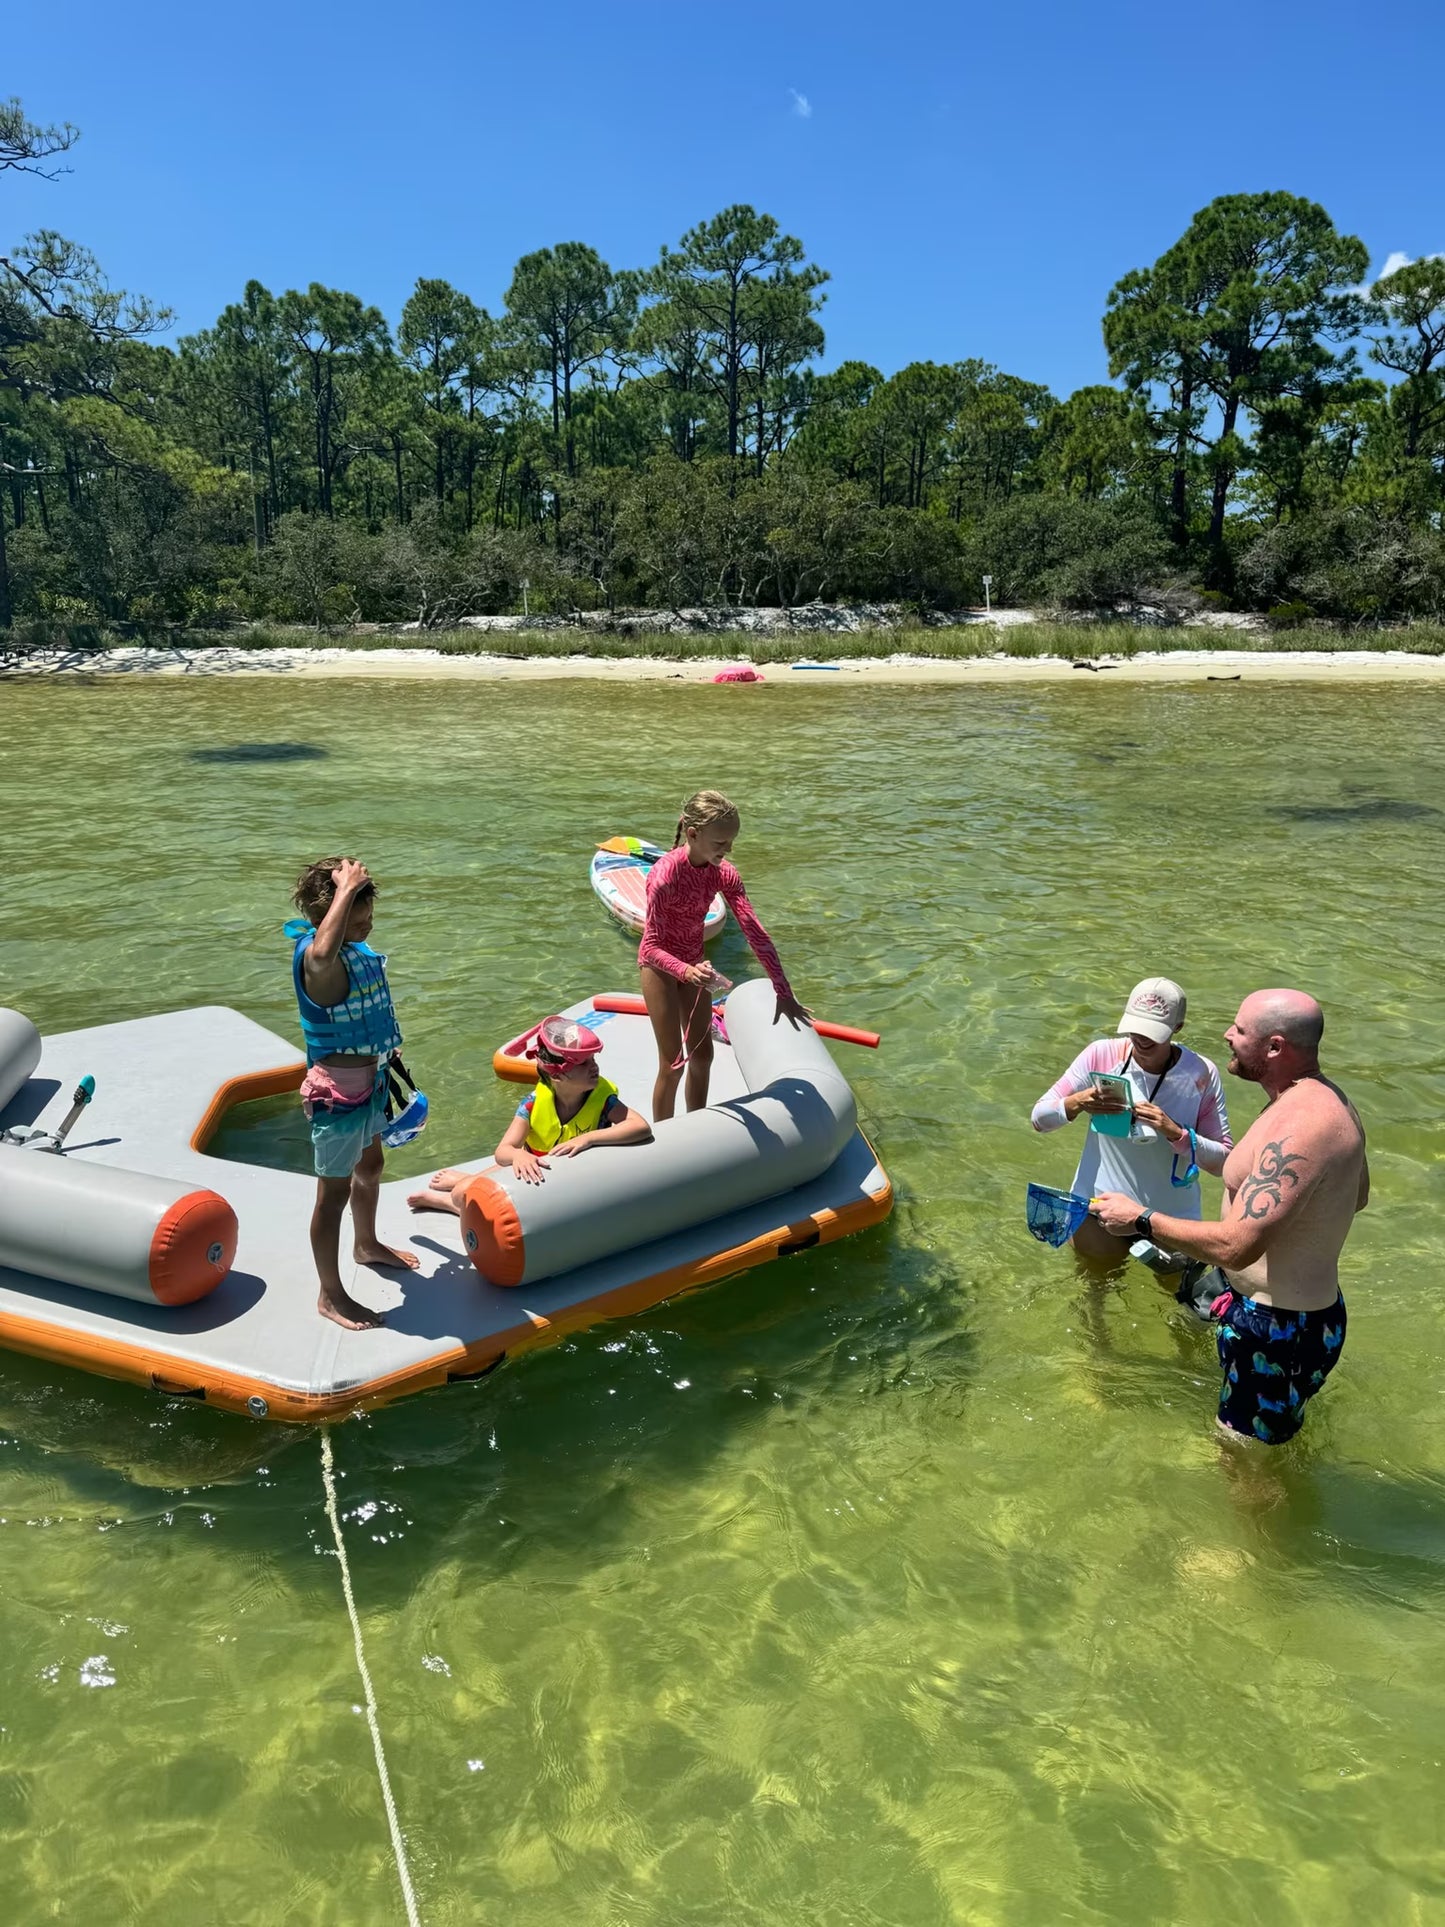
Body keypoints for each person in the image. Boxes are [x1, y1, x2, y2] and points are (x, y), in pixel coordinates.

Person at [1094, 990, 1368, 1446]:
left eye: (1240, 1030)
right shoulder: (1320, 1101)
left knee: (1241, 1462)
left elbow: (1238, 1245)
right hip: (1285, 1316)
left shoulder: (1302, 1125)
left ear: (1275, 1047)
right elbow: (1354, 1196)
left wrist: (1139, 1218)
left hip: (1280, 1327)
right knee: (1261, 1449)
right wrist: (1181, 1137)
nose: (1227, 1035)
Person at [288, 857, 418, 1332]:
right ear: (331, 915)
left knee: (372, 1167)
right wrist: (343, 890)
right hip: (338, 1095)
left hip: (374, 1079)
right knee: (332, 1195)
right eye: (356, 918)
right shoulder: (317, 959)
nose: (365, 926)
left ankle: (366, 1244)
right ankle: (331, 1294)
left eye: (369, 918)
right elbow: (323, 956)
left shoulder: (354, 950)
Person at [1031, 977, 1232, 1264]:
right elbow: (1039, 1119)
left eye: (1152, 1031)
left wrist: (1176, 1133)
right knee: (1092, 1299)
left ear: (1177, 1028)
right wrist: (1078, 1103)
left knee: (1173, 1304)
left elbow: (1225, 1163)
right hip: (1099, 1208)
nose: (1140, 1038)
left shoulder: (1201, 1073)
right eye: (1135, 1027)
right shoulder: (1101, 1055)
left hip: (1169, 1220)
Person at [639, 790, 811, 1120]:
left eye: (731, 841)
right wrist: (686, 972)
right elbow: (650, 947)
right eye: (721, 842)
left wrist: (783, 990)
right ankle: (663, 1138)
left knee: (703, 1058)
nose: (729, 849)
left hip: (695, 966)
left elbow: (755, 932)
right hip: (660, 969)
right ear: (693, 834)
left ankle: (695, 1125)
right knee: (673, 1064)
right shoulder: (664, 877)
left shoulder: (724, 874)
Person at [409, 1015, 650, 1212]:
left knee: (469, 1192)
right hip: (536, 1168)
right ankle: (451, 1201)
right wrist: (519, 1157)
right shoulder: (532, 1104)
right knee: (463, 1195)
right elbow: (503, 1151)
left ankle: (461, 1184)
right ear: (557, 1075)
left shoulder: (604, 1100)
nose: (594, 1067)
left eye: (593, 1059)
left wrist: (587, 1138)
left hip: (574, 1173)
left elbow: (640, 1126)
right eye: (583, 1063)